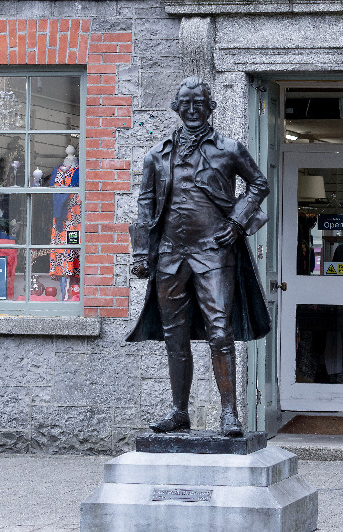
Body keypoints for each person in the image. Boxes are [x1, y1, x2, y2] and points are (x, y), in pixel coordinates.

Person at [127, 77, 271, 437]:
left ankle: (229, 414)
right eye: (186, 103)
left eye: (199, 103)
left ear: (211, 107)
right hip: (170, 256)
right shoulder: (157, 155)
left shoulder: (229, 149)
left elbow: (259, 184)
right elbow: (146, 204)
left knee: (219, 332)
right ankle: (179, 412)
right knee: (174, 337)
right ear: (177, 107)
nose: (192, 110)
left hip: (214, 253)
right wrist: (142, 252)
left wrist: (237, 221)